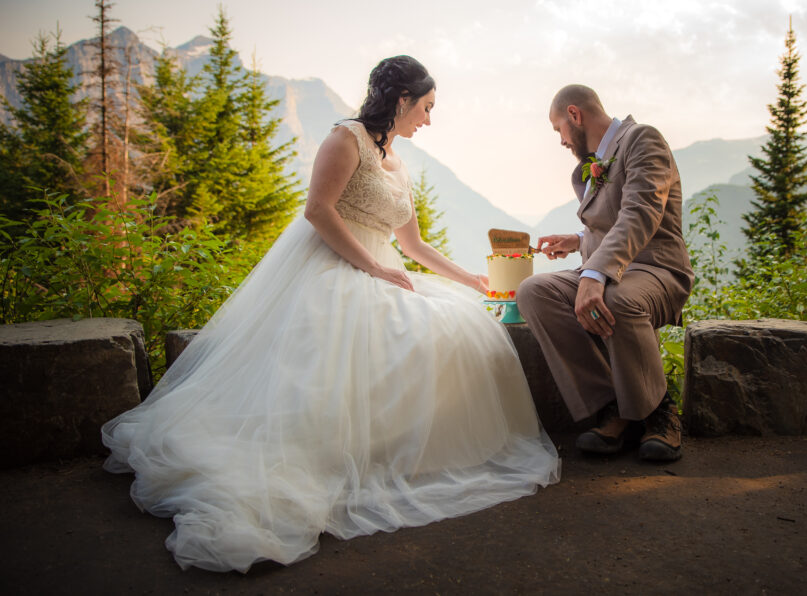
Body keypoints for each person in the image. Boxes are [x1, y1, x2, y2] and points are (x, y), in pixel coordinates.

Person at [102, 56, 560, 573]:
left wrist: (470, 279)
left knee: (461, 324)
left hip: (383, 267)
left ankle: (400, 454)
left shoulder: (398, 161)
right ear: (403, 99)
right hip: (333, 266)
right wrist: (370, 267)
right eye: (427, 108)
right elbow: (318, 210)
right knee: (386, 335)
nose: (429, 120)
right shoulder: (347, 139)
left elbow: (411, 243)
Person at [517, 84, 694, 462]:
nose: (561, 141)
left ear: (575, 115)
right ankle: (613, 406)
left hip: (656, 269)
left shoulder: (643, 139)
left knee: (616, 297)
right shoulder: (590, 165)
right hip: (609, 270)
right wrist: (578, 239)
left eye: (558, 129)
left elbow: (640, 213)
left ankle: (660, 411)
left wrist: (593, 275)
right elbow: (607, 225)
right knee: (534, 292)